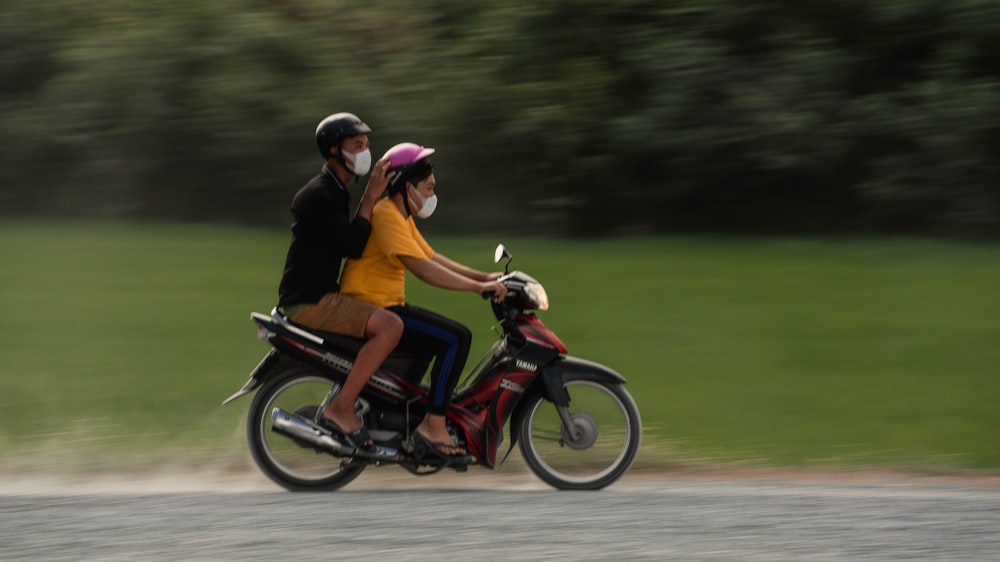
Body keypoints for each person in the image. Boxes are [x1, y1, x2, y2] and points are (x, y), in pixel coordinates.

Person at [339, 142, 507, 459]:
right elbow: (424, 270)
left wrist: (485, 277)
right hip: (373, 306)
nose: (432, 196)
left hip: (386, 305)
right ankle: (433, 425)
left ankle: (412, 415)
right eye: (428, 188)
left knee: (441, 337)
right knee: (455, 338)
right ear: (405, 186)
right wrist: (476, 288)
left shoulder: (401, 216)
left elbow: (432, 256)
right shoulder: (387, 216)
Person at [277, 112, 404, 450]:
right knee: (390, 327)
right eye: (357, 145)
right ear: (334, 151)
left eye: (367, 144)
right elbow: (353, 247)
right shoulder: (324, 194)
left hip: (315, 294)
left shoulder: (333, 190)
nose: (366, 152)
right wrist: (371, 197)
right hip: (310, 301)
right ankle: (341, 408)